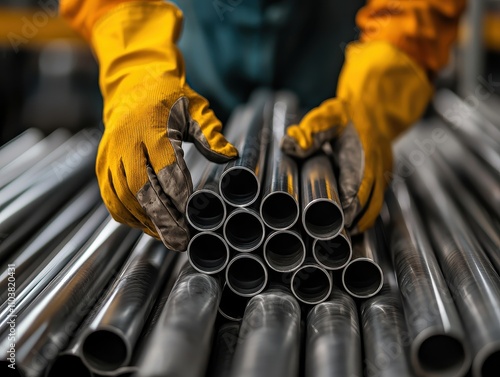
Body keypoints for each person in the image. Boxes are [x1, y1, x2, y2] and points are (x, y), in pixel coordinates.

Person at [59, 0, 465, 251]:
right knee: (170, 175)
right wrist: (138, 70)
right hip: (187, 50)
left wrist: (373, 98)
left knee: (332, 188)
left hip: (331, 55)